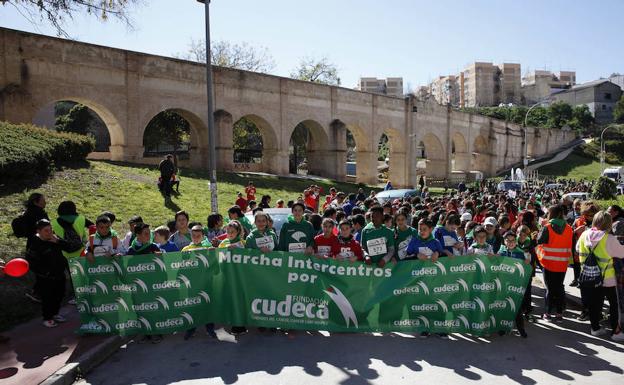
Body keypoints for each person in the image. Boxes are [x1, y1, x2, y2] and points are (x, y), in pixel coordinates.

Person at [576, 211, 623, 339]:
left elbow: (577, 249)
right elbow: (622, 253)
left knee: (594, 304)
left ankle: (595, 328)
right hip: (607, 279)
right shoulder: (610, 239)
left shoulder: (585, 234)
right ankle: (616, 332)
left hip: (588, 276)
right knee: (614, 305)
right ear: (609, 223)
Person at [25, 219, 74, 328]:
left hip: (59, 273)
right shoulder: (35, 243)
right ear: (39, 231)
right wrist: (44, 272)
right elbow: (31, 262)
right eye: (46, 231)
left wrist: (58, 242)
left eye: (51, 230)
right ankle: (47, 318)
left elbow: (70, 247)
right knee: (47, 298)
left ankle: (55, 314)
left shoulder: (54, 238)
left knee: (60, 294)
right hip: (45, 277)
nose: (50, 232)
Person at [536, 204, 574, 322]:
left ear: (550, 214)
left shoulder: (547, 227)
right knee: (559, 288)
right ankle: (559, 314)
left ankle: (547, 314)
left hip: (548, 263)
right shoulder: (569, 228)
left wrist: (540, 228)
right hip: (562, 264)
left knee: (550, 289)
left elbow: (539, 240)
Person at [498, 231, 531, 338]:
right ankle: (503, 328)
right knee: (504, 306)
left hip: (516, 285)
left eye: (513, 240)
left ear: (516, 241)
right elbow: (495, 262)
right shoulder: (501, 251)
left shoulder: (521, 252)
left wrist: (528, 260)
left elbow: (528, 263)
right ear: (504, 241)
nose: (511, 242)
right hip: (503, 284)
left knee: (517, 307)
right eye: (508, 240)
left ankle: (521, 328)